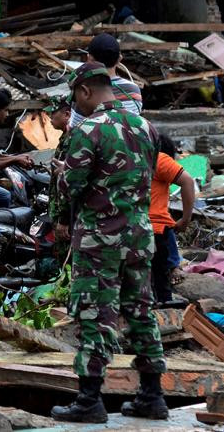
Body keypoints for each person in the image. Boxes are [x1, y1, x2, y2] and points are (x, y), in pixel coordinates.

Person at [51, 62, 165, 423]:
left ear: (84, 91)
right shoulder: (146, 127)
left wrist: (61, 176)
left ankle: (89, 400)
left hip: (101, 239)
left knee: (95, 314)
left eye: (75, 97)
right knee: (141, 311)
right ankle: (152, 395)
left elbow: (71, 188)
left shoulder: (90, 129)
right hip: (139, 235)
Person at [149, 136, 196, 305]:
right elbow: (188, 181)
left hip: (133, 226)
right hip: (155, 228)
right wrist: (185, 219)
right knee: (160, 281)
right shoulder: (159, 158)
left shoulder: (132, 158)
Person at [68, 34, 143, 128]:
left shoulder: (84, 90)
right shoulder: (133, 89)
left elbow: (75, 126)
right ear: (119, 59)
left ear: (90, 59)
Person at [45, 96, 75, 245]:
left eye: (53, 113)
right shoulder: (65, 137)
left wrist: (63, 218)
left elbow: (68, 181)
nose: (50, 118)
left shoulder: (73, 139)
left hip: (66, 214)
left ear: (67, 115)